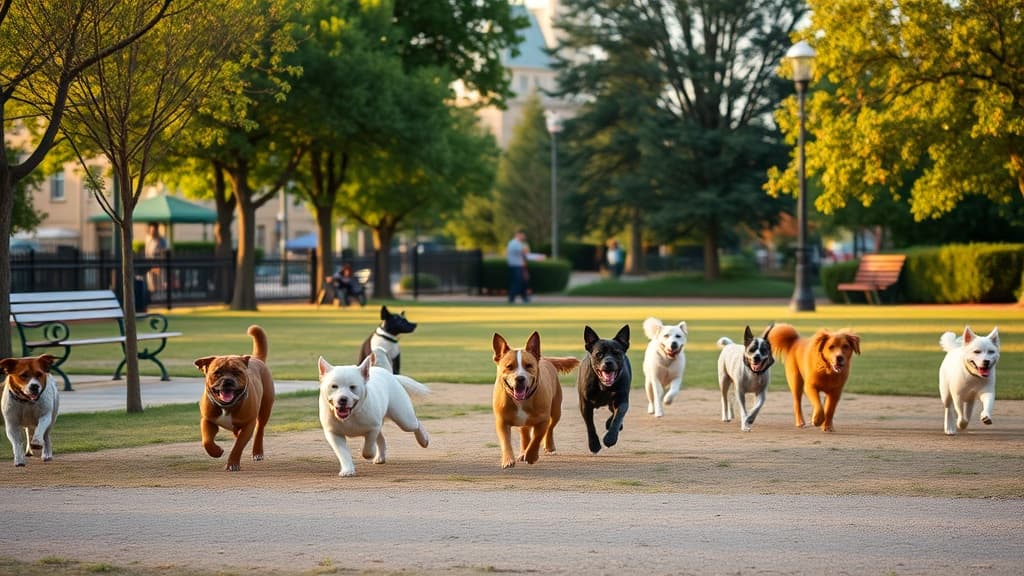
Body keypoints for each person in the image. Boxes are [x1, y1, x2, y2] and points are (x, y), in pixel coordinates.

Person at [506, 229, 530, 303]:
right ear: (518, 235)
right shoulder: (515, 243)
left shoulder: (517, 243)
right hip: (516, 266)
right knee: (517, 282)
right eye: (523, 235)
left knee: (523, 282)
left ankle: (524, 297)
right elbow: (525, 252)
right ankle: (511, 298)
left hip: (519, 265)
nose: (524, 237)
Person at [144, 222, 168, 292]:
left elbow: (164, 252)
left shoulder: (162, 240)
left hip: (158, 265)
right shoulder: (149, 240)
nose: (152, 232)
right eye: (151, 230)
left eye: (153, 230)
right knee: (151, 283)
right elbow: (147, 253)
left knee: (159, 282)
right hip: (150, 265)